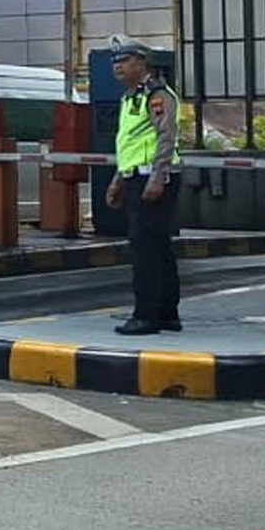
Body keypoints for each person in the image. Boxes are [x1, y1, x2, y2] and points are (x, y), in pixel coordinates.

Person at [104, 35, 182, 335]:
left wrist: (158, 177)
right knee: (157, 246)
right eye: (115, 62)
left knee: (145, 249)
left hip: (153, 178)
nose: (118, 67)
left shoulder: (157, 95)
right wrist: (118, 180)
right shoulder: (130, 98)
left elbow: (166, 137)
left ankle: (146, 316)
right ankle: (166, 314)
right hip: (136, 176)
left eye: (124, 60)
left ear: (142, 63)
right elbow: (130, 144)